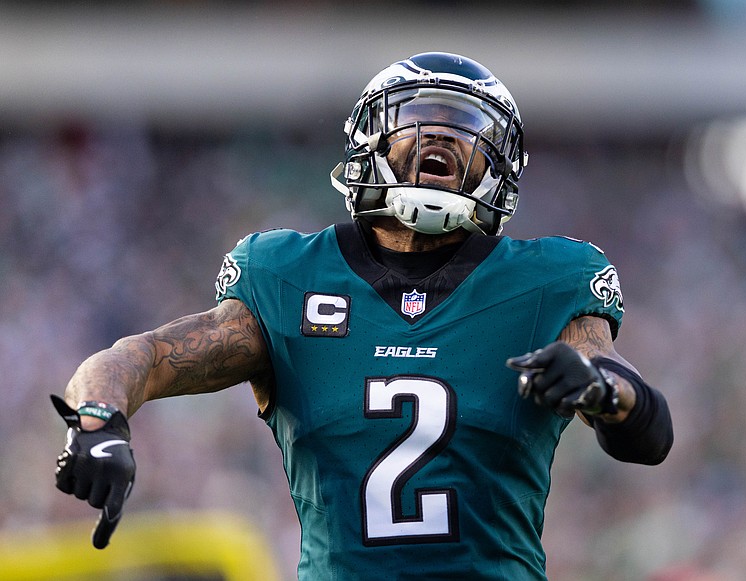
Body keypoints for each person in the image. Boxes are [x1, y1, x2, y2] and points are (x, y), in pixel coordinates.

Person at [52, 52, 673, 579]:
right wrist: (99, 421)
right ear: (370, 139)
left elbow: (645, 427)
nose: (445, 142)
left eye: (469, 130)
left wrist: (601, 391)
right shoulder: (286, 273)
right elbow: (147, 356)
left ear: (502, 166)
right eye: (420, 124)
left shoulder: (548, 280)